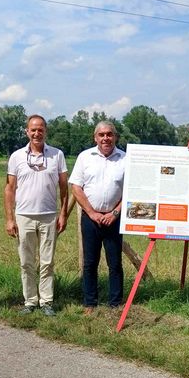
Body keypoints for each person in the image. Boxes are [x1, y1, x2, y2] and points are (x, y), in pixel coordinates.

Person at [4, 115, 68, 317]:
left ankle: (46, 301)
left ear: (45, 131)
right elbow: (9, 189)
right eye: (33, 130)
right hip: (24, 216)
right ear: (27, 132)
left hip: (49, 216)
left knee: (47, 262)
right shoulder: (16, 157)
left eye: (40, 129)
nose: (36, 133)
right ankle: (30, 301)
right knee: (26, 261)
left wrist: (63, 214)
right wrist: (9, 218)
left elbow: (64, 188)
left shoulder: (57, 155)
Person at [69, 121, 125, 313]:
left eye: (109, 134)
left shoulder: (125, 159)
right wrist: (92, 213)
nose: (105, 138)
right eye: (101, 135)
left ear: (115, 137)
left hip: (114, 220)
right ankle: (89, 303)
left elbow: (131, 191)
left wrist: (115, 213)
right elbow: (76, 187)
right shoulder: (85, 157)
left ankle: (115, 303)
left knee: (115, 263)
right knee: (90, 263)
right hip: (90, 218)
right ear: (95, 137)